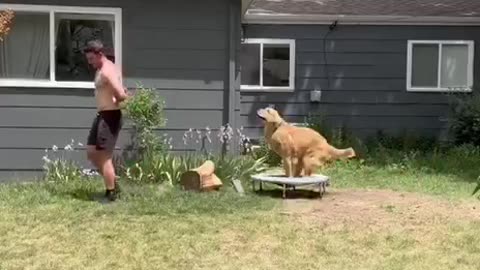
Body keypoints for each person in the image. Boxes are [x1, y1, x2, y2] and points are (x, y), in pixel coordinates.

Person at [84, 40, 128, 202]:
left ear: (100, 54)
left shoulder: (107, 71)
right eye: (88, 59)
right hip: (102, 115)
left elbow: (121, 94)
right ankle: (113, 182)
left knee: (103, 156)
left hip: (110, 116)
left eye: (91, 59)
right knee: (92, 151)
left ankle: (112, 193)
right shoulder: (103, 67)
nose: (90, 62)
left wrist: (117, 100)